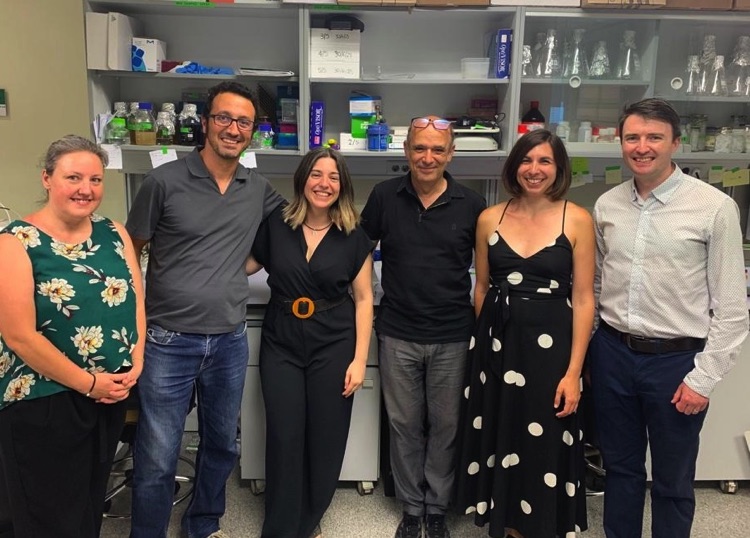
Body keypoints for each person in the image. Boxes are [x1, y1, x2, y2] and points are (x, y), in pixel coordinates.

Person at [126, 81, 284, 538]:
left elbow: (292, 227)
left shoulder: (257, 188)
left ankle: (203, 524)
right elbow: (131, 249)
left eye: (243, 122)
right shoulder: (163, 182)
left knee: (222, 444)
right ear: (206, 122)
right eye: (224, 118)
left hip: (229, 339)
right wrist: (135, 321)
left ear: (253, 130)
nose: (233, 129)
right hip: (167, 340)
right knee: (158, 455)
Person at [589, 97, 749, 538]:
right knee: (620, 469)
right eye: (632, 137)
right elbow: (599, 285)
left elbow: (732, 308)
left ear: (676, 143)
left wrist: (703, 379)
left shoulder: (714, 207)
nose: (642, 147)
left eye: (654, 137)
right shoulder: (607, 205)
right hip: (613, 354)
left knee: (673, 479)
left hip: (676, 363)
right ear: (621, 143)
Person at [0, 134, 145, 538]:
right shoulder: (15, 243)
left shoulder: (114, 233)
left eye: (95, 180)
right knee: (48, 517)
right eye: (73, 177)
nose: (86, 189)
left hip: (107, 396)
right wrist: (89, 383)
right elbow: (20, 337)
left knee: (86, 508)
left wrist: (136, 361)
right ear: (47, 179)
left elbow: (135, 300)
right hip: (45, 400)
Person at [454, 129, 593, 538]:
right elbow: (482, 288)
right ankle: (510, 525)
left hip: (552, 353)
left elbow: (584, 298)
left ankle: (542, 526)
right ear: (514, 166)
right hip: (498, 348)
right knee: (503, 433)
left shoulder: (576, 219)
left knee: (544, 438)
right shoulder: (489, 218)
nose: (535, 169)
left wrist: (574, 372)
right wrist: (488, 347)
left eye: (545, 161)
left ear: (558, 168)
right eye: (527, 160)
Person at [360, 116, 486, 538]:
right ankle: (412, 508)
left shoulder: (471, 204)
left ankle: (437, 508)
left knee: (447, 426)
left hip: (453, 334)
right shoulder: (384, 196)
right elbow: (360, 250)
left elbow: (485, 274)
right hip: (397, 332)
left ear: (450, 154)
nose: (427, 157)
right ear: (406, 151)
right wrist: (363, 296)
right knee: (404, 426)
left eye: (437, 149)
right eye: (419, 148)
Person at [249, 147, 374, 538]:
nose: (324, 184)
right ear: (303, 179)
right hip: (282, 341)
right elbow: (244, 265)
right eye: (317, 174)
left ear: (343, 186)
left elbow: (364, 298)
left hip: (334, 343)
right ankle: (281, 526)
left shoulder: (354, 234)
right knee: (284, 434)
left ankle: (308, 519)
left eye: (333, 177)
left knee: (325, 435)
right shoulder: (277, 224)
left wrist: (359, 360)